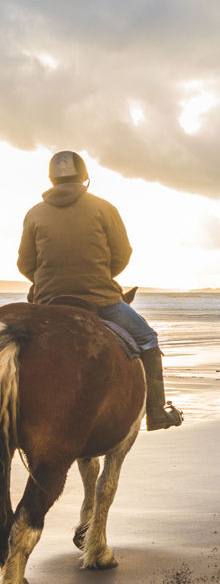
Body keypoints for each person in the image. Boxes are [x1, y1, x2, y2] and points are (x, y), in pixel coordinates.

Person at [17, 150, 183, 430]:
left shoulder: (34, 214)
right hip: (101, 299)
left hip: (48, 301)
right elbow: (122, 253)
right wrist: (99, 277)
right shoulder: (104, 208)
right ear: (85, 178)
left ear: (51, 178)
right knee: (148, 340)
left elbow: (25, 264)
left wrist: (48, 283)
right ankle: (156, 413)